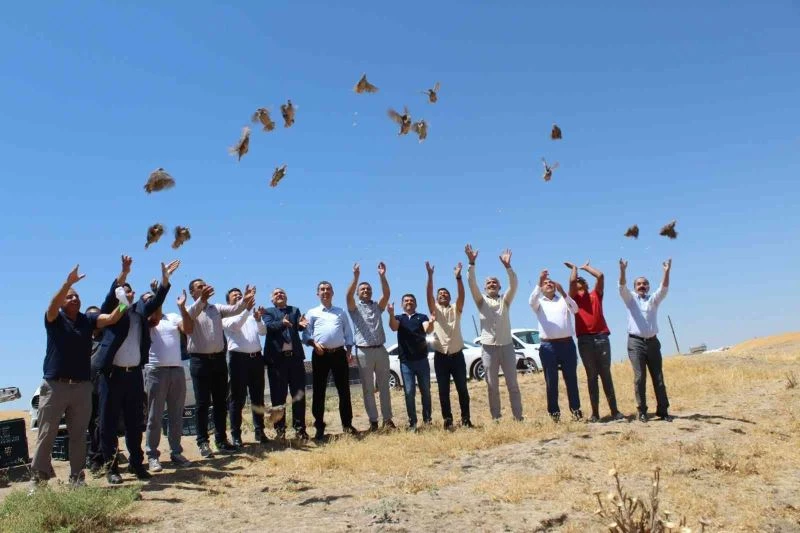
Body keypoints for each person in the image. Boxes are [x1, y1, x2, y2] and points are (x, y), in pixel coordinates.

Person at [29, 265, 123, 493]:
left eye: (77, 297)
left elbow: (111, 318)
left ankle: (77, 478)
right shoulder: (54, 319)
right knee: (46, 434)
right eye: (70, 297)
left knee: (79, 436)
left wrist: (125, 302)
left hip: (81, 388)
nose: (74, 299)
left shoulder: (87, 320)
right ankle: (38, 482)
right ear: (62, 301)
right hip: (54, 386)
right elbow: (52, 305)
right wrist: (67, 284)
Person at [94, 256, 177, 484]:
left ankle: (137, 464)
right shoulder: (112, 311)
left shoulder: (140, 311)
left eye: (129, 292)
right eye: (123, 292)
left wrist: (165, 279)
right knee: (108, 423)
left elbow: (158, 298)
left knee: (134, 423)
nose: (127, 294)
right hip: (112, 375)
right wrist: (124, 274)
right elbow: (113, 295)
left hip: (134, 376)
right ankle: (111, 468)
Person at [186, 278, 255, 457]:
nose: (204, 288)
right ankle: (202, 442)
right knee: (202, 403)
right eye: (199, 287)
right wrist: (201, 301)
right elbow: (190, 317)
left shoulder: (216, 308)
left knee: (220, 403)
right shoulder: (190, 310)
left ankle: (221, 440)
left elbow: (236, 309)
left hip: (218, 361)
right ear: (193, 293)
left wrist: (244, 300)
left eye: (205, 285)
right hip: (199, 361)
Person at [465, 244, 523, 421]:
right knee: (492, 385)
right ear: (485, 288)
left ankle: (518, 417)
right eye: (489, 283)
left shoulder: (505, 300)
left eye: (494, 283)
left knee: (512, 384)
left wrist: (508, 266)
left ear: (499, 287)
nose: (492, 285)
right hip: (488, 348)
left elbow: (514, 284)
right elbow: (471, 283)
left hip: (507, 346)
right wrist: (472, 263)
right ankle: (496, 418)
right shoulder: (480, 301)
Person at [565, 261, 624, 423]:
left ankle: (615, 411)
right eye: (576, 283)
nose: (577, 284)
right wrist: (574, 269)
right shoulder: (574, 300)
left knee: (606, 374)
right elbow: (570, 282)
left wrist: (586, 268)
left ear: (585, 283)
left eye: (580, 282)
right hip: (584, 340)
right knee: (592, 376)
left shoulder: (596, 294)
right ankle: (595, 414)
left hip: (601, 337)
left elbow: (600, 276)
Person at [143, 288, 193, 472]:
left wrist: (182, 309)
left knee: (176, 415)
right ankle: (152, 455)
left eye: (154, 298)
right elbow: (152, 317)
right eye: (148, 299)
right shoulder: (145, 320)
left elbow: (188, 329)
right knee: (154, 416)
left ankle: (176, 452)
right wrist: (158, 297)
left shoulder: (172, 317)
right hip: (155, 371)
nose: (152, 301)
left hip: (177, 370)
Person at [619, 258, 674, 422]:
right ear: (635, 287)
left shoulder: (653, 300)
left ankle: (663, 411)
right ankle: (642, 411)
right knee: (639, 378)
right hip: (635, 343)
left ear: (648, 286)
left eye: (645, 284)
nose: (642, 286)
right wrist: (622, 270)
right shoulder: (630, 299)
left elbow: (663, 289)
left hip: (652, 342)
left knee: (658, 377)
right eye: (639, 284)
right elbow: (622, 287)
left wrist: (666, 271)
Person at [302, 281, 358, 441]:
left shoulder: (340, 312)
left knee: (344, 391)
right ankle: (319, 427)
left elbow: (348, 333)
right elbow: (305, 335)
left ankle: (347, 425)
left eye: (328, 289)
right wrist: (314, 344)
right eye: (322, 289)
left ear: (333, 292)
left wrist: (348, 351)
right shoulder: (311, 313)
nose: (325, 292)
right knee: (319, 392)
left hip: (339, 354)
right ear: (317, 293)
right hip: (320, 355)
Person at [346, 262, 395, 431]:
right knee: (368, 388)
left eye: (368, 289)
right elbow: (348, 296)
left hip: (381, 350)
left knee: (384, 387)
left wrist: (382, 275)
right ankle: (373, 421)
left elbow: (387, 295)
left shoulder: (377, 306)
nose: (366, 291)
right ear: (359, 293)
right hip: (363, 352)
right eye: (363, 289)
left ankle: (387, 419)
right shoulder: (354, 308)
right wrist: (356, 277)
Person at [529, 269, 582, 422]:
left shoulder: (563, 300)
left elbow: (575, 309)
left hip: (567, 345)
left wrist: (564, 293)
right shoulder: (538, 303)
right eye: (545, 283)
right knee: (551, 381)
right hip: (548, 347)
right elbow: (531, 300)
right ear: (541, 287)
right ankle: (554, 414)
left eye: (551, 282)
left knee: (571, 379)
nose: (548, 284)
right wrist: (539, 281)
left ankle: (576, 410)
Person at [425, 261, 472, 429]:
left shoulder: (456, 309)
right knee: (443, 391)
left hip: (457, 356)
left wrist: (458, 277)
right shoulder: (434, 311)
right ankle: (448, 421)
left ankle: (466, 420)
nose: (443, 295)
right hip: (441, 358)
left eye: (446, 293)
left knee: (462, 390)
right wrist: (430, 276)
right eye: (440, 294)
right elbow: (429, 293)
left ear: (450, 297)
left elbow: (462, 296)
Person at [262, 288, 309, 441]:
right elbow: (269, 327)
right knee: (278, 398)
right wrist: (282, 323)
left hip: (295, 359)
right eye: (276, 294)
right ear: (272, 299)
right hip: (277, 361)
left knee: (299, 396)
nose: (279, 295)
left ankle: (300, 429)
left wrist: (302, 326)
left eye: (282, 293)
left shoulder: (295, 310)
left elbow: (296, 328)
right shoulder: (268, 312)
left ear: (286, 297)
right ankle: (280, 431)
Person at [223, 287, 268, 447]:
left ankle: (259, 431)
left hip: (256, 359)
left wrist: (257, 319)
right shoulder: (226, 316)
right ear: (229, 302)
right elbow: (235, 326)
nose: (239, 297)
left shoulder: (250, 316)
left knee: (258, 398)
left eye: (240, 295)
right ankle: (236, 434)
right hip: (238, 360)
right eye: (235, 296)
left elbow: (263, 332)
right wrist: (246, 309)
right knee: (237, 399)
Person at [388, 294, 434, 430]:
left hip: (422, 360)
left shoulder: (422, 317)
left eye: (412, 301)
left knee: (426, 391)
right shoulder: (399, 318)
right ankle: (412, 422)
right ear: (402, 304)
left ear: (416, 304)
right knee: (409, 392)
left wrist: (432, 321)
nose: (409, 302)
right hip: (406, 362)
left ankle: (427, 420)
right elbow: (393, 327)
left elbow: (428, 329)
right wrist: (391, 314)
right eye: (406, 301)